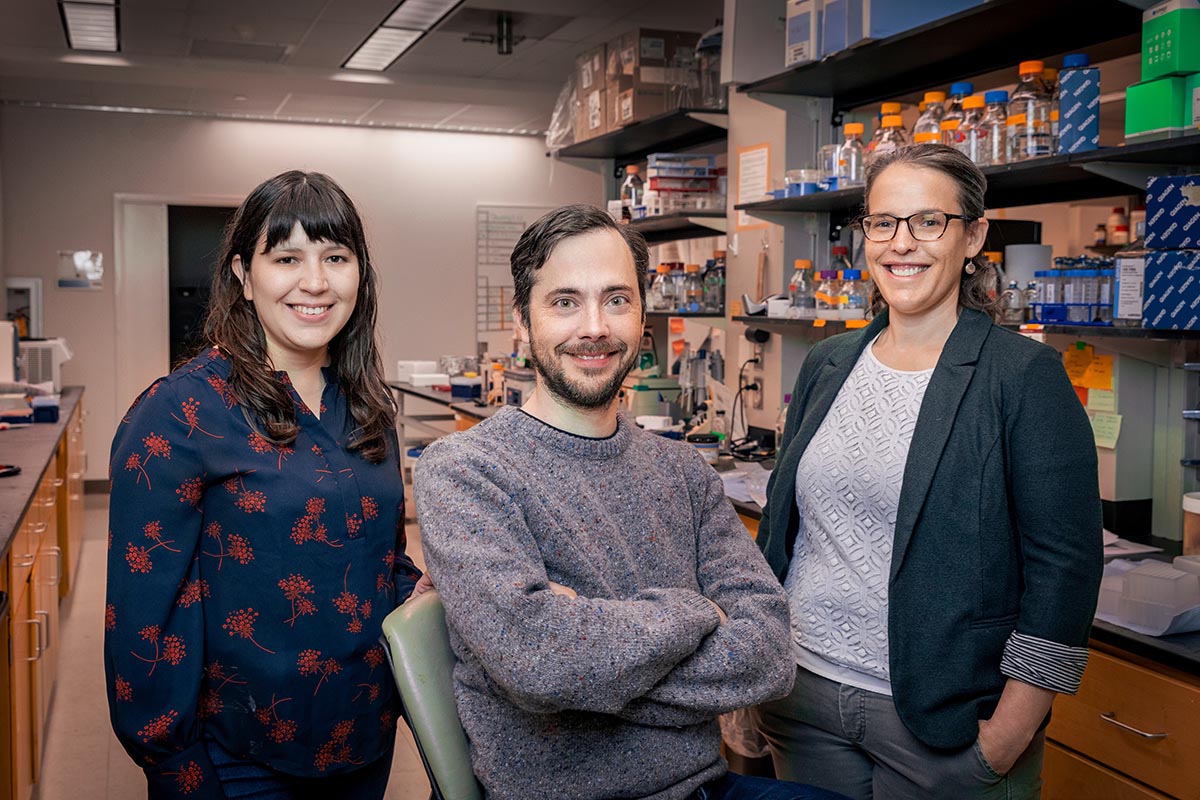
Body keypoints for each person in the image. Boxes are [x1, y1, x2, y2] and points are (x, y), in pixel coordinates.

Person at [413, 205, 845, 800]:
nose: (594, 327)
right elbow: (539, 663)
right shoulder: (465, 471)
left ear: (643, 316)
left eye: (616, 299)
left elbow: (769, 655)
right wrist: (696, 615)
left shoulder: (682, 472)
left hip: (704, 789)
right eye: (565, 302)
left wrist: (590, 664)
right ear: (521, 320)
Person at [753, 143, 1103, 800]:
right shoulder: (828, 364)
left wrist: (1007, 734)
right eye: (883, 222)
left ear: (973, 236)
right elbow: (781, 529)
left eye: (928, 222)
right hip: (801, 701)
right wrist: (748, 678)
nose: (900, 243)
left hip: (941, 726)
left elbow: (1066, 569)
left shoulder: (1022, 377)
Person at [104, 170, 423, 799]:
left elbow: (379, 563)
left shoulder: (368, 409)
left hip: (363, 739)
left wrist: (458, 592)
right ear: (244, 277)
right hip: (234, 760)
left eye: (336, 257)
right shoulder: (180, 412)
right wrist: (174, 765)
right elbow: (142, 617)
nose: (316, 282)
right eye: (287, 258)